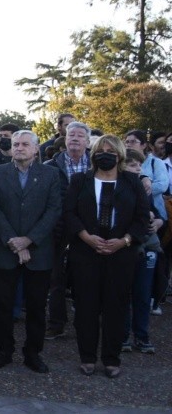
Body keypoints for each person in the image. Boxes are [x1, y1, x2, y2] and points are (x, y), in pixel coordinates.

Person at [65, 135, 149, 378]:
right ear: (93, 155)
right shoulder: (79, 180)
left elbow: (142, 218)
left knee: (116, 307)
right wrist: (86, 237)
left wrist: (124, 241)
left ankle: (112, 358)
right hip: (85, 252)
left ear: (120, 154)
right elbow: (69, 212)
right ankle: (87, 357)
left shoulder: (132, 182)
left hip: (121, 254)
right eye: (100, 150)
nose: (105, 154)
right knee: (86, 307)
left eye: (110, 150)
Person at [0, 130, 62, 373]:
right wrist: (13, 241)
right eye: (15, 144)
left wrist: (28, 240)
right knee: (4, 305)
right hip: (5, 249)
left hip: (38, 251)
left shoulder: (50, 174)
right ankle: (3, 350)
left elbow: (53, 210)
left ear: (36, 149)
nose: (18, 148)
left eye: (24, 144)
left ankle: (33, 353)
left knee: (37, 306)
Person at [44, 121, 91, 340]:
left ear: (87, 141)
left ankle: (86, 324)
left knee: (86, 280)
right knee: (56, 280)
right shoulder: (50, 166)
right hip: (59, 229)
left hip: (88, 230)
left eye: (80, 135)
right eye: (71, 134)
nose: (75, 138)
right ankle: (56, 324)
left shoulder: (97, 165)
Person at [122, 149, 162, 354]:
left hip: (147, 246)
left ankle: (142, 336)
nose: (138, 169)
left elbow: (155, 212)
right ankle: (123, 336)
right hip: (126, 246)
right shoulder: (117, 187)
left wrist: (157, 219)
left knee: (143, 293)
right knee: (123, 293)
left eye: (140, 165)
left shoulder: (144, 187)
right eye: (133, 165)